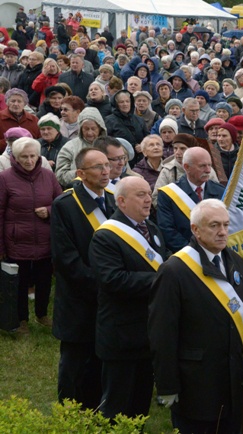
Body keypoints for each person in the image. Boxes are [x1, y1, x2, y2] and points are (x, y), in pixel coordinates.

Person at [149, 199, 243, 434]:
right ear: (195, 230)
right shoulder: (174, 270)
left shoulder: (235, 261)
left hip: (231, 378)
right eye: (214, 225)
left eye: (226, 225)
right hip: (196, 383)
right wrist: (167, 385)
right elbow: (162, 334)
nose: (223, 232)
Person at [89, 177, 166, 420]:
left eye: (148, 193)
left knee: (140, 403)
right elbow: (113, 280)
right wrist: (162, 281)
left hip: (148, 331)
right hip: (121, 335)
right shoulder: (106, 237)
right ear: (121, 201)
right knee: (117, 404)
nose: (147, 199)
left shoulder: (151, 228)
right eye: (140, 195)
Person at [51, 147, 114, 408]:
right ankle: (70, 415)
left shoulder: (112, 199)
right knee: (75, 364)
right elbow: (67, 260)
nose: (106, 171)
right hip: (79, 300)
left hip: (108, 301)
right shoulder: (65, 205)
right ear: (81, 173)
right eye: (98, 167)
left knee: (101, 362)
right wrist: (102, 286)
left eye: (107, 165)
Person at [0, 138, 62, 334]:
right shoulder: (5, 178)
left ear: (39, 156)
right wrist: (1, 247)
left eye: (32, 156)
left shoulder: (48, 176)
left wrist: (49, 210)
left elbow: (60, 203)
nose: (28, 160)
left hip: (45, 239)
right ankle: (22, 319)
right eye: (23, 157)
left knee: (44, 279)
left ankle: (42, 314)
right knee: (20, 282)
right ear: (15, 158)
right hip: (17, 241)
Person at [157, 147, 226, 253]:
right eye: (202, 166)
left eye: (210, 165)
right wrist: (195, 253)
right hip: (186, 257)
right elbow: (168, 231)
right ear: (187, 167)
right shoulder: (168, 195)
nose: (208, 170)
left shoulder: (221, 192)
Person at [56, 107, 107, 188]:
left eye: (93, 129)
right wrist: (81, 174)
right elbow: (60, 175)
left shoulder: (109, 145)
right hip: (79, 190)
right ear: (81, 129)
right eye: (86, 129)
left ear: (100, 129)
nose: (90, 133)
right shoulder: (69, 147)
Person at [0, 88, 40, 152]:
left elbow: (40, 141)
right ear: (7, 103)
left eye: (19, 101)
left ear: (24, 104)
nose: (16, 104)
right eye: (13, 101)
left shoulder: (33, 120)